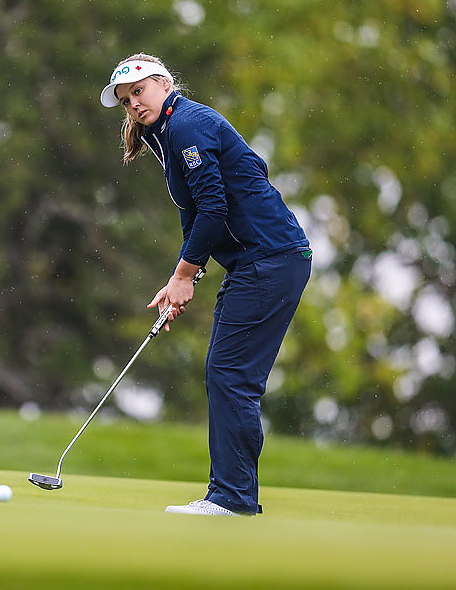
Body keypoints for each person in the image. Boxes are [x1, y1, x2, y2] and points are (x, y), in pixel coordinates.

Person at [99, 53, 311, 516]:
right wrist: (184, 278)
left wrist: (182, 275)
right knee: (230, 373)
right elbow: (194, 213)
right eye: (125, 98)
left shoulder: (187, 125)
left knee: (230, 373)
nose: (133, 103)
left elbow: (214, 209)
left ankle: (232, 499)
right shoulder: (166, 136)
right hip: (263, 261)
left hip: (270, 259)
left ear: (164, 83)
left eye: (139, 90)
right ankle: (235, 497)